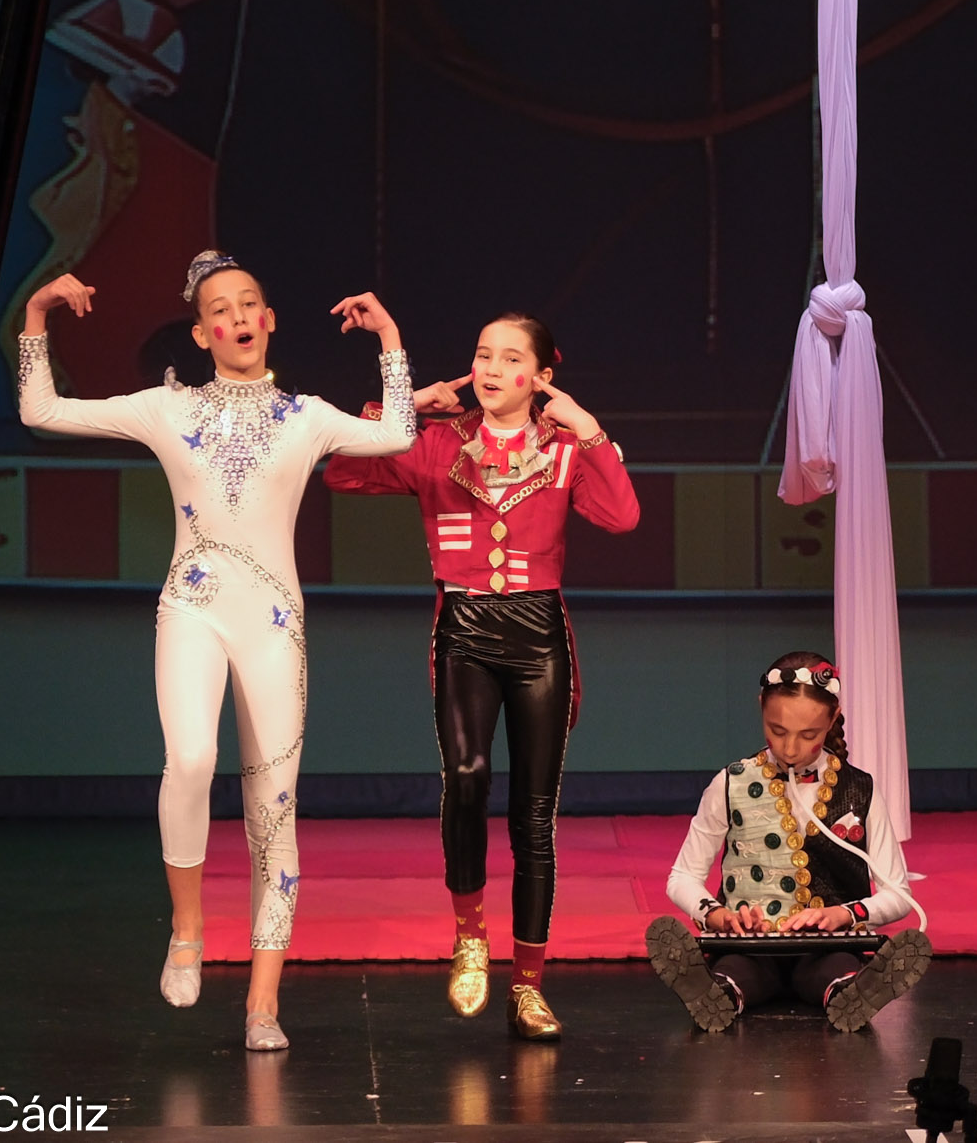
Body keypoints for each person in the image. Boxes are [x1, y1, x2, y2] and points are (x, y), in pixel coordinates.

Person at [18, 251, 415, 1053]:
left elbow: (398, 432)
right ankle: (188, 927)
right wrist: (35, 318)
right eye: (220, 309)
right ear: (202, 333)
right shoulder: (165, 408)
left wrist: (391, 342)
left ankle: (263, 1006)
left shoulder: (307, 416)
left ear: (268, 321)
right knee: (192, 758)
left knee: (274, 811)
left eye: (250, 303)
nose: (237, 316)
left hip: (273, 620)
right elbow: (42, 412)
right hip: (193, 606)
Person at [322, 312, 639, 1040]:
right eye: (480, 355)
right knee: (464, 775)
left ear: (541, 378)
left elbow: (621, 516)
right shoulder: (437, 444)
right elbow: (342, 470)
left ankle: (527, 987)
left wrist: (587, 427)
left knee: (534, 813)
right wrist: (394, 411)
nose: (490, 369)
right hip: (464, 627)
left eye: (509, 358)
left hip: (537, 635)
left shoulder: (563, 452)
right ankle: (469, 935)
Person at [644, 653, 934, 1034]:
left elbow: (898, 894)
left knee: (834, 970)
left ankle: (852, 992)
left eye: (809, 735)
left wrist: (845, 915)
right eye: (777, 731)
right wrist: (717, 915)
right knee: (738, 971)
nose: (791, 749)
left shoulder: (859, 789)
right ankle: (716, 993)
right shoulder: (730, 783)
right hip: (750, 944)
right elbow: (681, 876)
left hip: (825, 946)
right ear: (760, 708)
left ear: (832, 720)